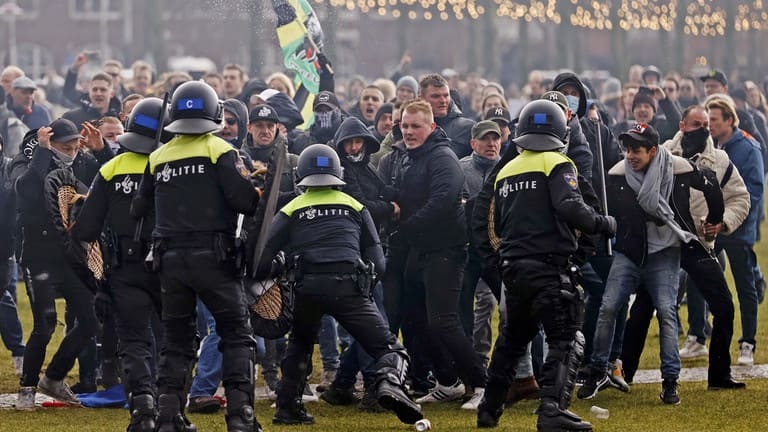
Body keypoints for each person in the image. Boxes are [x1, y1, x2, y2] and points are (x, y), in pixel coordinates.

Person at [255, 144, 423, 426]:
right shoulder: (355, 205)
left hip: (306, 287)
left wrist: (278, 271)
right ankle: (390, 384)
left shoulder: (292, 207)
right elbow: (377, 260)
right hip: (348, 287)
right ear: (338, 173)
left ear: (301, 175)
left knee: (300, 344)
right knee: (390, 348)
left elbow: (263, 257)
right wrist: (365, 290)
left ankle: (287, 407)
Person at [474, 99, 615, 431]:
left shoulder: (507, 170)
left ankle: (489, 409)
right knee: (566, 338)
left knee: (511, 341)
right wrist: (603, 223)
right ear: (560, 132)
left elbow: (494, 218)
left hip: (513, 269)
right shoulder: (557, 162)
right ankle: (552, 408)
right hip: (550, 267)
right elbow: (571, 207)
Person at [131, 81, 262, 432]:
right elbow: (244, 202)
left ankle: (168, 417)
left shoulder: (158, 156)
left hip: (170, 261)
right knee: (236, 334)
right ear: (215, 113)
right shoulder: (220, 149)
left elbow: (138, 207)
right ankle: (241, 416)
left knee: (176, 341)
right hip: (214, 259)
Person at [578, 123, 723, 405]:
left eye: (636, 150)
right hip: (629, 253)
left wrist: (714, 219)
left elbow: (711, 184)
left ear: (653, 151)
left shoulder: (679, 169)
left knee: (667, 315)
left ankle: (670, 382)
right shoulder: (618, 175)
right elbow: (601, 206)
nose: (629, 155)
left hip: (666, 253)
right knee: (608, 307)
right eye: (627, 149)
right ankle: (597, 371)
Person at [618, 106, 748, 390]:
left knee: (724, 305)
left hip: (696, 242)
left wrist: (722, 223)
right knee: (642, 309)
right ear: (681, 125)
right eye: (695, 124)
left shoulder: (721, 161)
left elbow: (740, 198)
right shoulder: (658, 153)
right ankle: (624, 373)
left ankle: (719, 375)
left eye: (706, 124)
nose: (702, 129)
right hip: (662, 244)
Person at [71, 97, 171, 431]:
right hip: (170, 267)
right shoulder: (172, 165)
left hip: (124, 270)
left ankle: (142, 410)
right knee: (174, 342)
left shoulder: (111, 168)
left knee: (134, 342)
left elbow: (85, 229)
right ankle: (172, 411)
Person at [13, 118, 113, 409]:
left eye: (75, 147)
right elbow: (26, 191)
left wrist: (102, 151)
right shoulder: (28, 158)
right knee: (44, 323)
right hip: (39, 255)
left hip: (71, 257)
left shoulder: (81, 161)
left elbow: (109, 182)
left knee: (91, 319)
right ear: (50, 142)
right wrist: (43, 153)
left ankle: (54, 377)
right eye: (65, 147)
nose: (71, 153)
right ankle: (27, 388)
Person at [394, 99, 487, 409]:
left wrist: (405, 226)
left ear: (431, 127)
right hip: (420, 249)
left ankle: (481, 384)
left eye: (415, 126)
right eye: (405, 125)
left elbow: (444, 199)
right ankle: (447, 382)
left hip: (446, 249)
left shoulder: (441, 156)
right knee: (415, 320)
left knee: (443, 321)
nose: (408, 131)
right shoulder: (412, 157)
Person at [706, 97, 765, 366]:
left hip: (738, 229)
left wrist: (730, 220)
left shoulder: (749, 147)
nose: (710, 125)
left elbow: (753, 191)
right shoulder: (709, 145)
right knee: (701, 276)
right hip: (711, 227)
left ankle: (747, 343)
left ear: (729, 120)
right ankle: (697, 333)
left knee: (745, 285)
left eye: (714, 120)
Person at [419, 74, 475, 158]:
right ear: (421, 99)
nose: (443, 101)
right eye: (436, 96)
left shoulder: (467, 129)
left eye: (446, 95)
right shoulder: (410, 127)